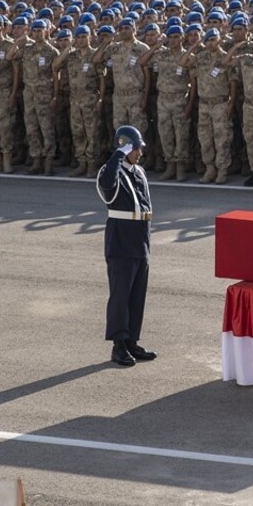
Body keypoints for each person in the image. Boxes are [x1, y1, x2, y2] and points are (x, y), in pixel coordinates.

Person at [98, 124, 157, 367]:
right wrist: (118, 155)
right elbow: (107, 186)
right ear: (125, 147)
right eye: (136, 149)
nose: (140, 153)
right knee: (120, 295)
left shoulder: (139, 172)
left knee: (136, 294)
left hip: (140, 237)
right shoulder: (110, 170)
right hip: (121, 238)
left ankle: (132, 340)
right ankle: (118, 345)